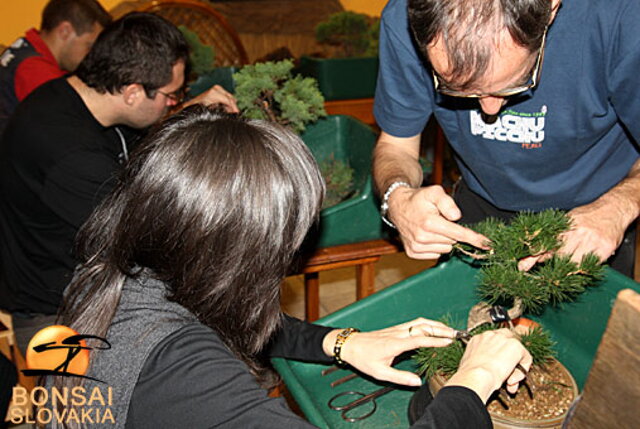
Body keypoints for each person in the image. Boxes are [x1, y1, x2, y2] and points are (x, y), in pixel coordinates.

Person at [47, 107, 531, 428]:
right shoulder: (180, 375)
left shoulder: (117, 277)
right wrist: (476, 380)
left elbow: (223, 319)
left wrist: (341, 342)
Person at [0, 12, 239, 354]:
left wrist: (186, 110)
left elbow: (136, 145)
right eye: (171, 96)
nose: (173, 103)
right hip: (58, 313)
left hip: (92, 282)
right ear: (132, 92)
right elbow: (144, 239)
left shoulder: (79, 100)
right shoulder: (69, 154)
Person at [373, 0, 640, 277]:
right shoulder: (404, 17)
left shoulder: (622, 17)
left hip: (597, 212)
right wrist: (398, 197)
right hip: (479, 206)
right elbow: (396, 146)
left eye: (515, 83)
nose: (490, 111)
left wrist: (617, 208)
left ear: (551, 9)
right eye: (459, 89)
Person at [0, 0, 112, 135]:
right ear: (65, 31)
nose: (91, 56)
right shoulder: (36, 71)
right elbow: (69, 129)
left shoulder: (25, 49)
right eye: (89, 46)